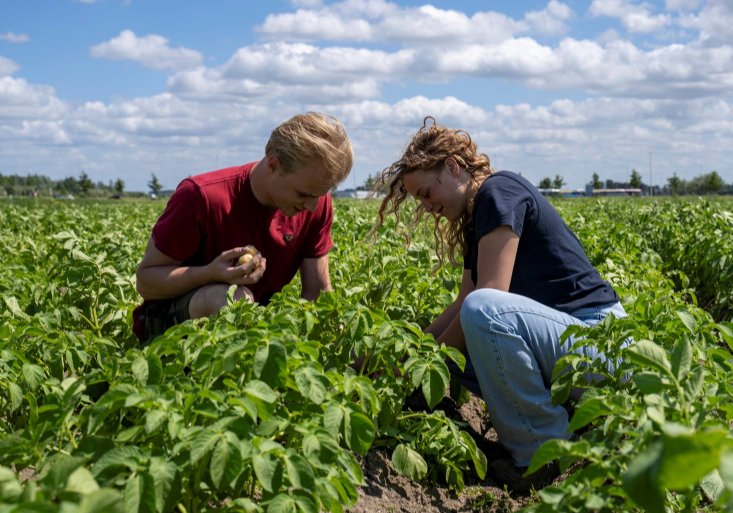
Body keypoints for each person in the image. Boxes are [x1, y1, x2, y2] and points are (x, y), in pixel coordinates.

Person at [374, 117, 626, 492]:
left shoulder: (498, 192)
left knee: (482, 316)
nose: (426, 207)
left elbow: (487, 299)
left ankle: (543, 453)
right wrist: (404, 358)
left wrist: (422, 367)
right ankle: (558, 423)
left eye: (427, 193)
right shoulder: (478, 219)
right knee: (463, 344)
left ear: (453, 167)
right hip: (574, 350)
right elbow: (460, 304)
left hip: (604, 346)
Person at [132, 112, 353, 343]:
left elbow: (317, 292)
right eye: (304, 194)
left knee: (360, 352)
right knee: (232, 299)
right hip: (165, 325)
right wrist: (209, 273)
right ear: (273, 165)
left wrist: (343, 347)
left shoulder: (315, 202)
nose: (312, 205)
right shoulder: (201, 196)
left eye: (321, 194)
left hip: (256, 326)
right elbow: (146, 282)